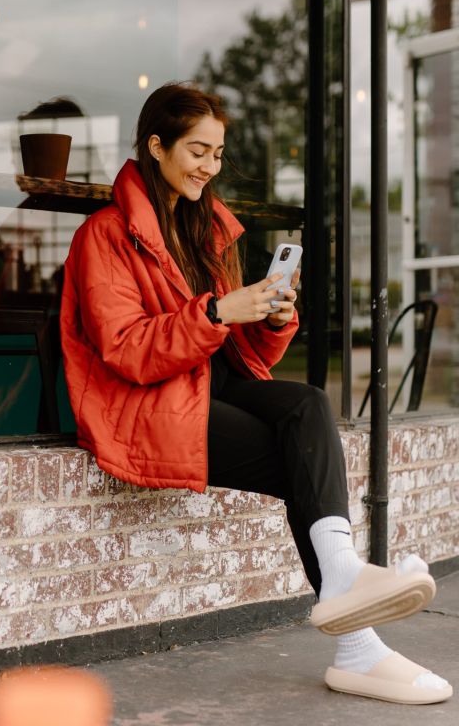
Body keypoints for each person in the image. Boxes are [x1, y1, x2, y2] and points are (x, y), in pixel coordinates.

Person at [59, 81, 452, 705]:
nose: (210, 167)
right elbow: (126, 349)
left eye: (218, 154)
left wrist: (267, 320)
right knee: (304, 464)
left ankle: (347, 598)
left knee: (309, 404)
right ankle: (358, 643)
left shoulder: (204, 231)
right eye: (197, 151)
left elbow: (243, 352)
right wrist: (218, 309)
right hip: (147, 404)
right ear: (155, 146)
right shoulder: (104, 235)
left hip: (211, 383)